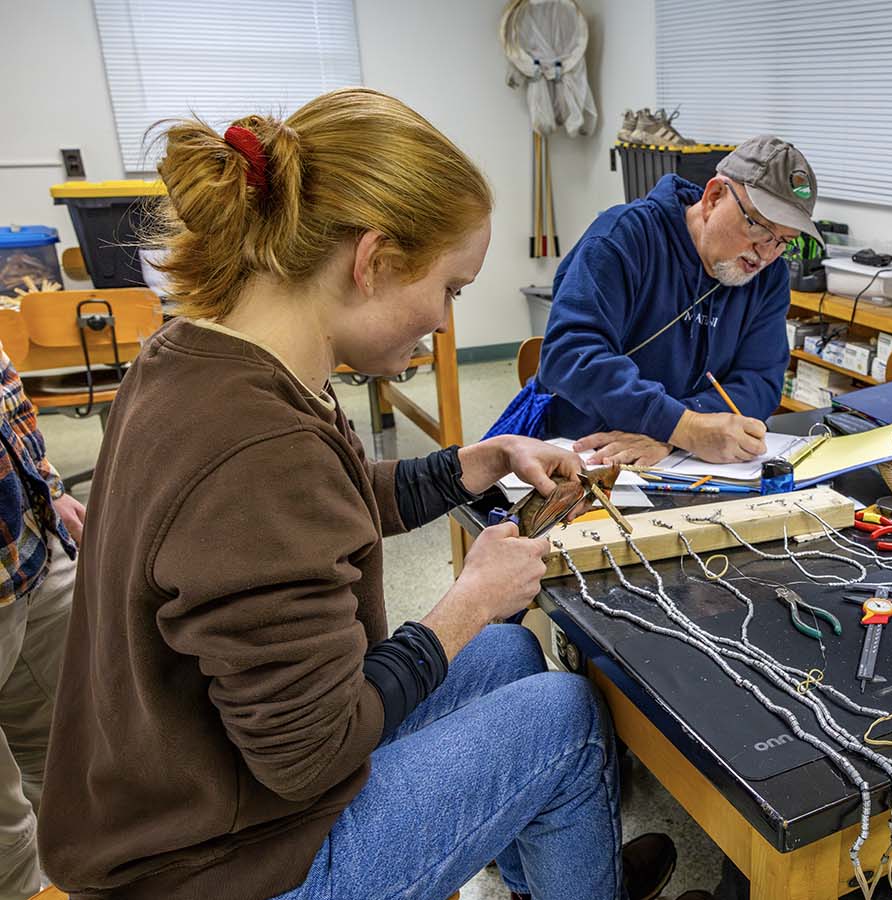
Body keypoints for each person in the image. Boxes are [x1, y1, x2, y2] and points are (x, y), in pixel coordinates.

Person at [36, 88, 680, 900]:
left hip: (198, 788)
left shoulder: (209, 357)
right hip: (227, 864)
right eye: (449, 289)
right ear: (371, 260)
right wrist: (465, 604)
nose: (448, 322)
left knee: (513, 653)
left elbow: (316, 510)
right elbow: (312, 752)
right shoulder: (255, 448)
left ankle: (549, 869)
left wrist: (473, 463)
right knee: (564, 716)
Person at [492, 135, 821, 466]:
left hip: (678, 457)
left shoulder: (768, 277)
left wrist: (675, 432)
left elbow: (760, 381)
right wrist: (682, 426)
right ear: (714, 197)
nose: (765, 253)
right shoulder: (622, 238)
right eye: (758, 227)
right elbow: (570, 355)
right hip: (583, 452)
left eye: (783, 241)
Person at [0, 347, 86, 900]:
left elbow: (8, 394)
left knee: (73, 757)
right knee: (7, 836)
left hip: (29, 551)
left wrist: (49, 488)